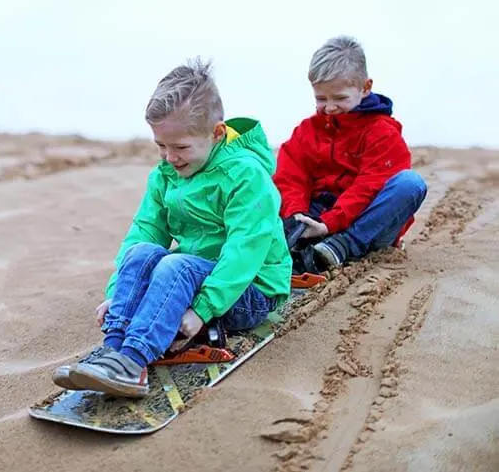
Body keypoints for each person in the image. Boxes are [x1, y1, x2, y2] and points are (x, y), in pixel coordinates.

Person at [51, 57, 292, 398]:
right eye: (161, 146)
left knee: (174, 264)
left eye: (180, 147)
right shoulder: (165, 175)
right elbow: (145, 231)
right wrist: (118, 293)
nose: (169, 157)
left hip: (249, 290)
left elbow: (245, 250)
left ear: (217, 133)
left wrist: (203, 310)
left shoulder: (246, 176)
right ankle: (114, 349)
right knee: (143, 252)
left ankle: (133, 363)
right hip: (191, 277)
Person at [273, 35, 428, 274]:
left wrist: (329, 224)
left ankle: (342, 246)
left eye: (340, 98)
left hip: (366, 225)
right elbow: (291, 176)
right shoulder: (307, 131)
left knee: (410, 184)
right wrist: (298, 217)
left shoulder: (383, 133)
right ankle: (300, 252)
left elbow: (369, 186)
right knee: (267, 189)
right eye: (321, 99)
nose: (330, 107)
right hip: (318, 219)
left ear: (365, 87)